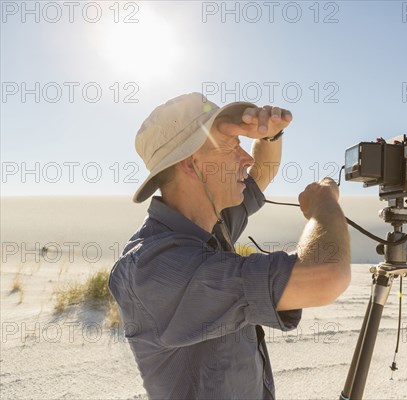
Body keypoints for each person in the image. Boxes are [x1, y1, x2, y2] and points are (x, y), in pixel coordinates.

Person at [108, 93, 351, 400]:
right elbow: (326, 276)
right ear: (191, 164)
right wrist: (325, 206)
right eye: (231, 146)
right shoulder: (155, 267)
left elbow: (262, 171)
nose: (246, 158)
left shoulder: (211, 223)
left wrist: (270, 133)